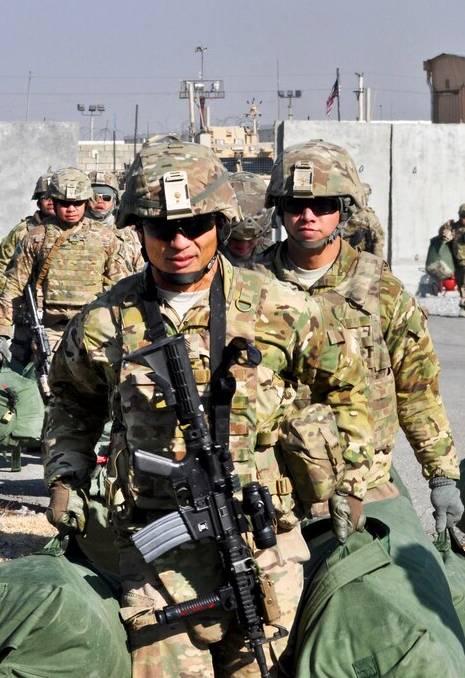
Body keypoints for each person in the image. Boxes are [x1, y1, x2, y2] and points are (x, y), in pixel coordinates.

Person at [43, 139, 372, 675]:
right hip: (157, 546)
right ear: (138, 230)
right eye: (160, 228)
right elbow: (71, 402)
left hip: (264, 541)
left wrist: (352, 482)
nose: (179, 241)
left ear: (221, 222)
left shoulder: (281, 308)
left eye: (194, 226)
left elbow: (347, 390)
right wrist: (65, 476)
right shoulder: (107, 318)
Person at [258, 139, 461, 532]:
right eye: (295, 206)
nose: (308, 216)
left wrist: (441, 474)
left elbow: (417, 390)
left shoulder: (382, 291)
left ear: (344, 210)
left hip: (364, 485)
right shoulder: (251, 289)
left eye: (323, 205)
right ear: (279, 210)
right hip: (273, 486)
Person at [0, 167, 136, 363]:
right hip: (49, 328)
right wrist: (1, 334)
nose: (71, 209)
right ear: (55, 201)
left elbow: (122, 285)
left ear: (86, 202)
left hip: (93, 327)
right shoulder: (36, 237)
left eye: (77, 203)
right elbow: (14, 286)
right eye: (65, 203)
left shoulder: (105, 238)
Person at [0, 174, 55, 335]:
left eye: (54, 197)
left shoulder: (76, 232)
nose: (51, 201)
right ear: (38, 201)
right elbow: (0, 272)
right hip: (28, 309)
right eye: (45, 197)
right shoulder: (22, 232)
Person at [86, 169, 144, 274]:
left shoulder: (126, 234)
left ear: (115, 201)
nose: (100, 201)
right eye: (94, 197)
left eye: (106, 197)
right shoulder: (75, 230)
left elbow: (140, 270)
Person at [223, 171, 272, 267]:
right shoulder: (209, 255)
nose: (243, 246)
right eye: (235, 239)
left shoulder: (271, 254)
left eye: (251, 238)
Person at [341, 184, 386, 260]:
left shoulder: (344, 212)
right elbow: (379, 240)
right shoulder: (367, 216)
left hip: (359, 258)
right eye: (365, 195)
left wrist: (378, 263)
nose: (367, 198)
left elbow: (378, 241)